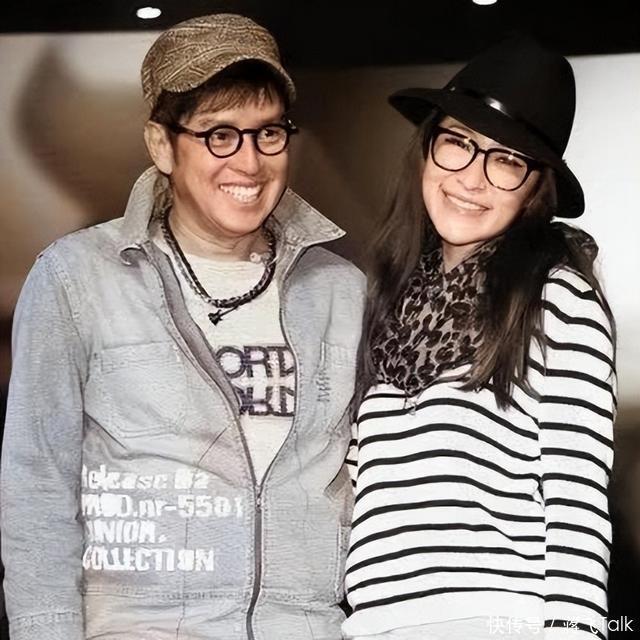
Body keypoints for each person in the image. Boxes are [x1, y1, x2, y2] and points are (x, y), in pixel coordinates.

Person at [1, 13, 365, 640]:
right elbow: (37, 485)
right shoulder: (76, 277)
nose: (249, 162)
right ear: (161, 144)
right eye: (219, 135)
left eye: (268, 133)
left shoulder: (342, 289)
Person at [343, 37, 615, 640]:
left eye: (507, 160)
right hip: (373, 625)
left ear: (534, 187)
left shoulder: (557, 298)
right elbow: (359, 492)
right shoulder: (383, 300)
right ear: (427, 149)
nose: (471, 178)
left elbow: (577, 500)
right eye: (458, 143)